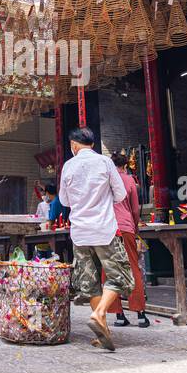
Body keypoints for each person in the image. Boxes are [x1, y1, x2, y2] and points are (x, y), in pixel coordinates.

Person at [58, 127, 133, 351]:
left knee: (89, 283)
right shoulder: (104, 162)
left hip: (80, 233)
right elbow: (120, 195)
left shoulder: (68, 166)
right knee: (119, 276)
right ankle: (99, 314)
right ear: (92, 143)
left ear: (73, 145)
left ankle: (103, 332)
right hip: (104, 230)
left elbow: (64, 200)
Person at [110, 151, 149, 328]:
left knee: (110, 270)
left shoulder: (106, 180)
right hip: (126, 227)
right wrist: (134, 226)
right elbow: (134, 209)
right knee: (133, 267)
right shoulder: (129, 180)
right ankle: (140, 314)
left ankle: (119, 314)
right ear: (125, 165)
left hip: (108, 229)